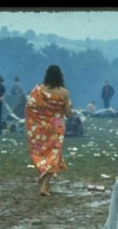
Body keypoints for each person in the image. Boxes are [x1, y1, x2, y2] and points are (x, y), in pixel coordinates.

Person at [25, 64, 72, 197]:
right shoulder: (64, 93)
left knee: (40, 154)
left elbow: (29, 107)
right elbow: (68, 114)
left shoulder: (38, 90)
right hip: (55, 129)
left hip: (38, 129)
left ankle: (44, 181)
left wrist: (37, 121)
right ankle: (44, 186)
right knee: (53, 155)